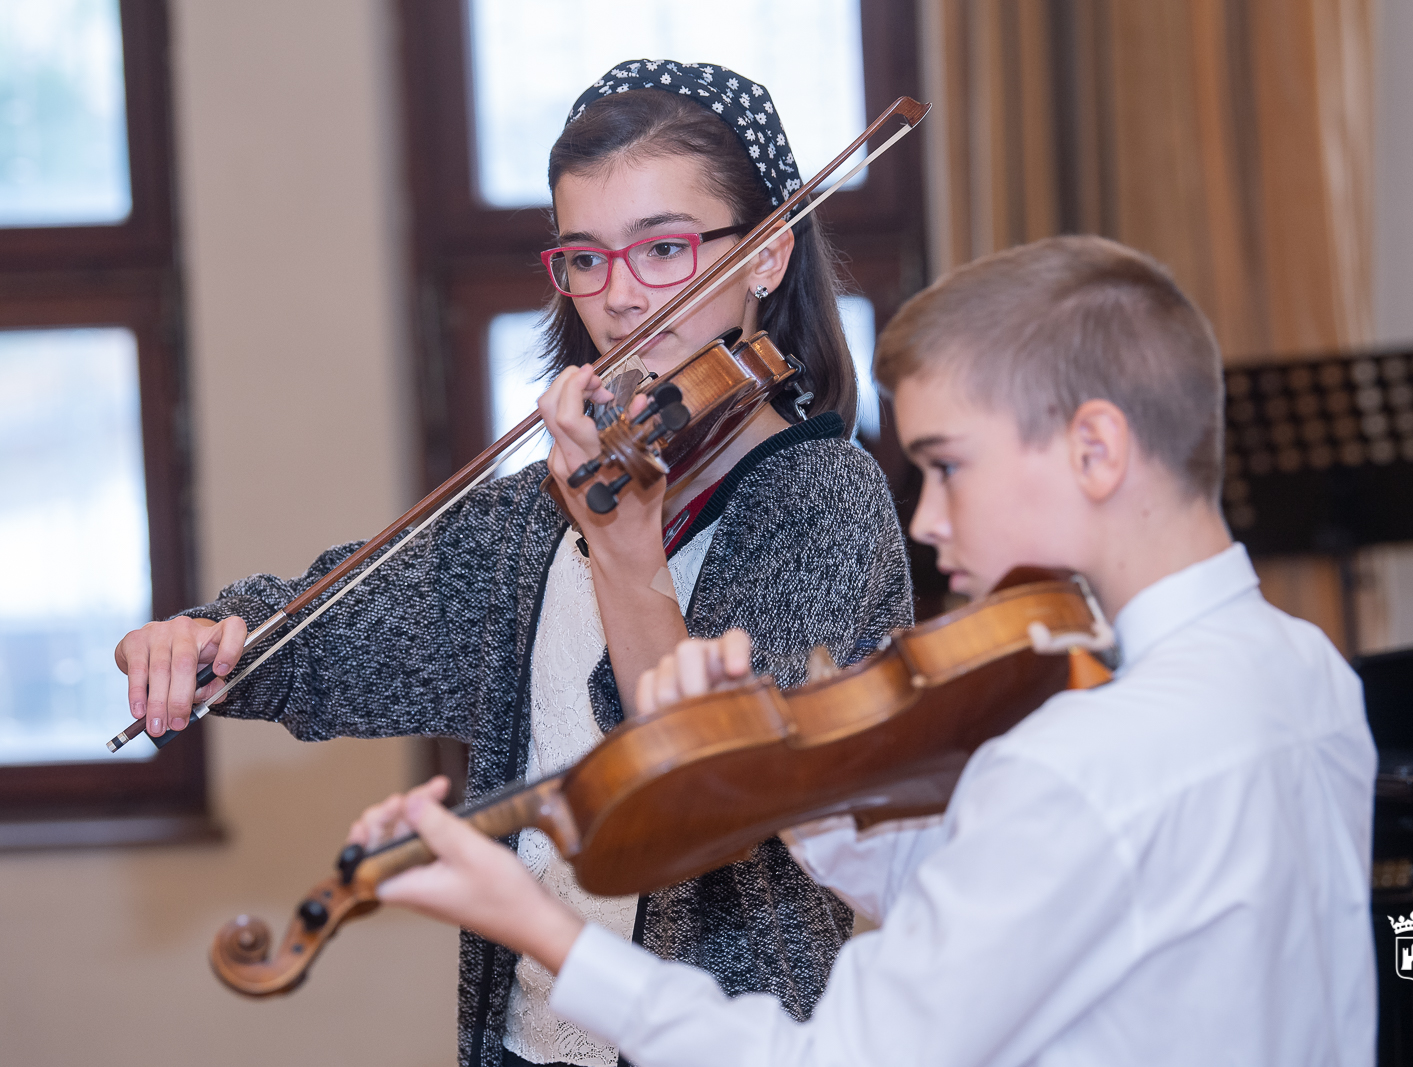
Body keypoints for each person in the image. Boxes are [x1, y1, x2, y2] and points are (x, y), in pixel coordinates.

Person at [357, 234, 1380, 1066]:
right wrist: (783, 781)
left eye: (946, 465)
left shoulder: (1079, 763)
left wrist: (547, 933)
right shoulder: (1304, 671)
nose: (926, 518)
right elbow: (1014, 899)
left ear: (1096, 448)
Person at [113, 60, 912, 1067]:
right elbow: (355, 628)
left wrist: (624, 549)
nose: (618, 301)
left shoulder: (824, 502)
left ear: (763, 256)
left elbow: (718, 798)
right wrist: (218, 637)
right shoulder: (533, 517)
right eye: (585, 258)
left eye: (664, 249)